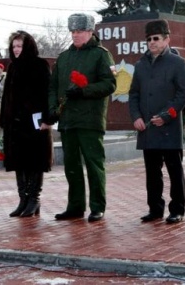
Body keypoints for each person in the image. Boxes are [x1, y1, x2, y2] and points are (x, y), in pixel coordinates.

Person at [47, 13, 116, 222]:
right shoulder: (64, 57)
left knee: (94, 165)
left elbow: (110, 84)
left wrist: (84, 91)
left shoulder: (101, 55)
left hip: (90, 120)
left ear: (90, 31)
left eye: (79, 32)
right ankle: (75, 206)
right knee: (71, 166)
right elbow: (53, 86)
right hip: (67, 120)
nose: (75, 35)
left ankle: (97, 206)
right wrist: (52, 109)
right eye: (73, 32)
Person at [129, 20, 185, 224]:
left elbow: (184, 93)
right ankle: (155, 209)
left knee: (175, 171)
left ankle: (177, 210)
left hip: (169, 126)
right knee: (152, 172)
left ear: (167, 39)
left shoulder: (178, 63)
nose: (152, 42)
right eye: (149, 39)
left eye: (156, 38)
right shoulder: (140, 65)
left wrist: (166, 115)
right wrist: (136, 116)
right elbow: (134, 94)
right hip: (147, 128)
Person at [0, 31, 53, 218]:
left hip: (35, 124)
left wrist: (48, 118)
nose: (16, 50)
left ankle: (34, 199)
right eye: (14, 46)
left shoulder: (40, 65)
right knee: (19, 161)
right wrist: (5, 118)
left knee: (34, 161)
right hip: (15, 124)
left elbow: (48, 93)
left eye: (19, 46)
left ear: (28, 46)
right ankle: (23, 199)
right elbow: (7, 96)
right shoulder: (13, 67)